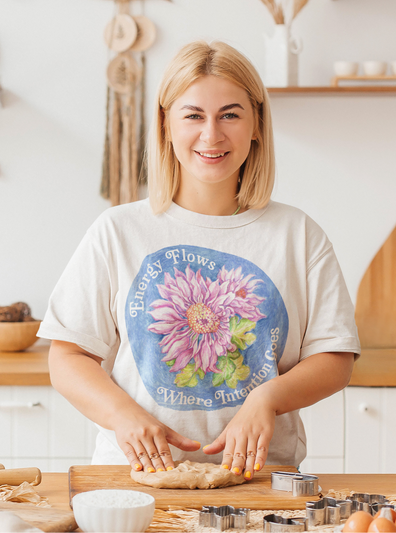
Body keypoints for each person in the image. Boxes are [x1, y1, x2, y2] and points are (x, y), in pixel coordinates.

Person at [38, 40, 360, 481]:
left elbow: (334, 357)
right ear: (166, 124)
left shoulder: (298, 234)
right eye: (193, 115)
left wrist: (266, 399)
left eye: (230, 114)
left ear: (256, 126)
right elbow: (68, 356)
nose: (212, 135)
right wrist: (123, 415)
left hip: (262, 481)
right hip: (133, 479)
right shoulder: (116, 231)